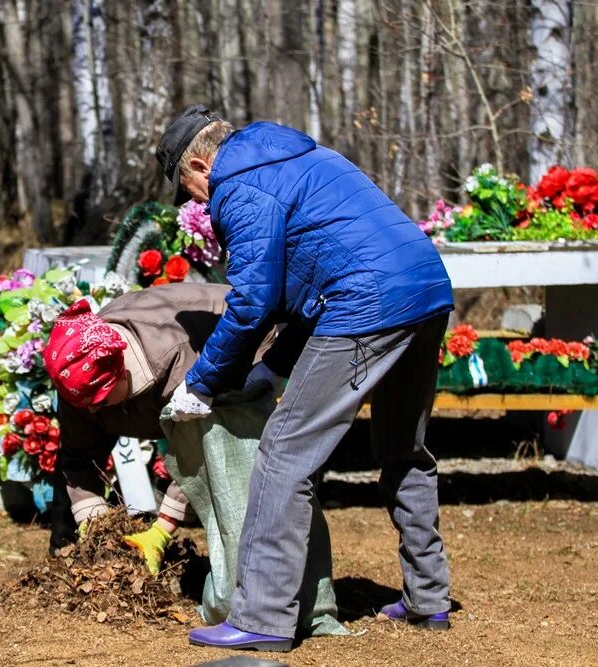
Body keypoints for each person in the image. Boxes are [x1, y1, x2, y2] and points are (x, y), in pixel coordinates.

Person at [156, 105, 455, 652]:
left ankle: (262, 618)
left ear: (200, 165)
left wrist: (199, 385)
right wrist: (271, 368)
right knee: (402, 447)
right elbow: (303, 282)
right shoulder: (303, 156)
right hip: (427, 288)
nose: (198, 202)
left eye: (189, 189)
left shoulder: (237, 187)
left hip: (369, 303)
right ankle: (429, 597)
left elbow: (252, 301)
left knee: (285, 453)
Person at [44, 284, 305, 576]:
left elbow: (203, 453)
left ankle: (258, 574)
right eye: (83, 403)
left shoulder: (179, 365)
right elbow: (79, 456)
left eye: (98, 401)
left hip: (248, 343)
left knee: (240, 467)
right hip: (152, 360)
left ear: (121, 372)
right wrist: (96, 531)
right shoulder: (78, 371)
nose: (90, 410)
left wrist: (160, 532)